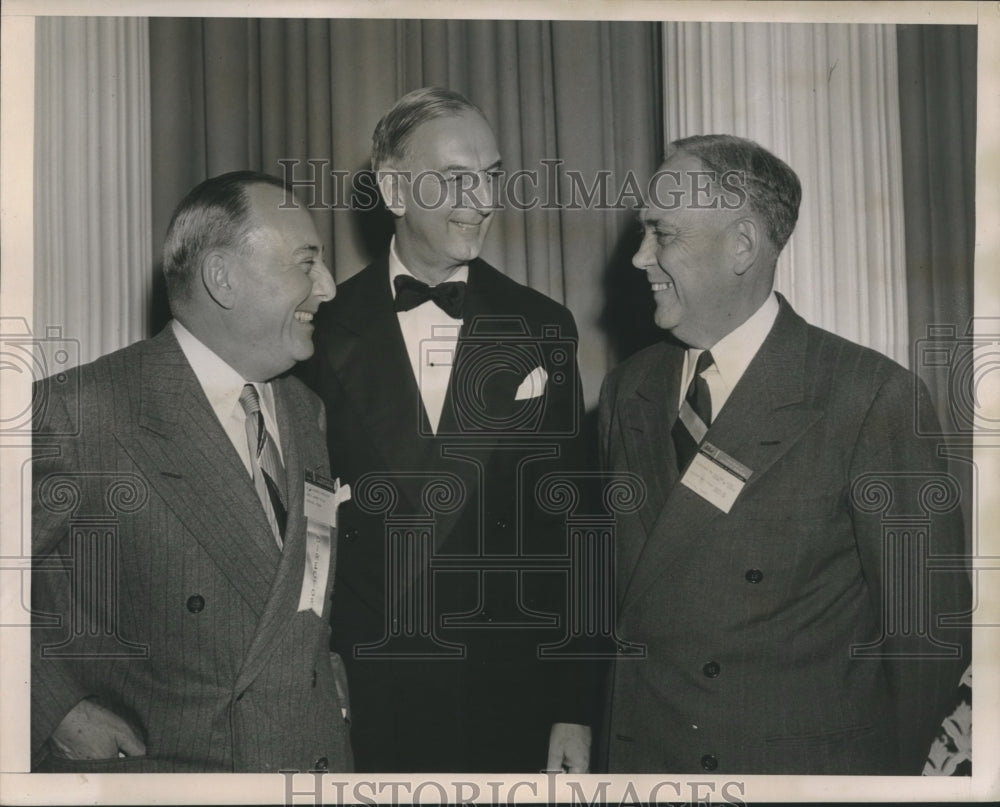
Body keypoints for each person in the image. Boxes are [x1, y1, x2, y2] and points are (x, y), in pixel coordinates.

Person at [598, 135, 971, 774]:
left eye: (663, 234)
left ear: (742, 245)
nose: (639, 257)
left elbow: (925, 642)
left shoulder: (868, 397)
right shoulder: (626, 389)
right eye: (643, 231)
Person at [304, 87, 596, 773]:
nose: (484, 199)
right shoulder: (317, 330)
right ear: (394, 190)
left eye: (491, 176)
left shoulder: (542, 326)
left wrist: (576, 705)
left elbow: (579, 529)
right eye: (457, 178)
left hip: (510, 698)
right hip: (365, 701)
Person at [31, 171, 352, 773]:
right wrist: (53, 710)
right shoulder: (82, 411)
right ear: (222, 277)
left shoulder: (305, 410)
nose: (329, 287)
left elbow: (300, 596)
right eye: (307, 263)